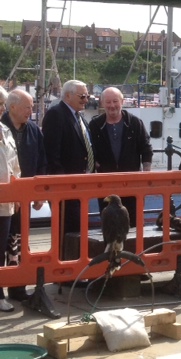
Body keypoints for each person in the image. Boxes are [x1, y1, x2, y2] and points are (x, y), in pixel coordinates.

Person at [1, 89, 47, 302]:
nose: (31, 111)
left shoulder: (34, 131)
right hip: (5, 197)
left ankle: (18, 287)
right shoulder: (3, 128)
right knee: (2, 243)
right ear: (12, 107)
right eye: (27, 107)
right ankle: (1, 288)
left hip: (25, 196)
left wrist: (40, 194)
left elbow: (41, 162)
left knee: (19, 242)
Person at [89, 87, 153, 228]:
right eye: (108, 102)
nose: (112, 105)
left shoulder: (135, 123)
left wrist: (146, 172)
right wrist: (95, 165)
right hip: (105, 183)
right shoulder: (95, 125)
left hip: (131, 182)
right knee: (109, 224)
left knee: (133, 222)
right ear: (102, 104)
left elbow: (146, 147)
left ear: (122, 102)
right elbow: (89, 150)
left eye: (115, 101)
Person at [42, 80, 94, 240]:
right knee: (67, 230)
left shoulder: (79, 117)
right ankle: (64, 263)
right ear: (68, 95)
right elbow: (52, 153)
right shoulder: (56, 115)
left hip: (79, 186)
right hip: (66, 187)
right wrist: (62, 182)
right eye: (82, 96)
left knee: (78, 230)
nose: (86, 100)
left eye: (87, 96)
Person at [0, 88, 21, 312]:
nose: (1, 109)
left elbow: (15, 166)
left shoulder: (5, 131)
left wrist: (17, 193)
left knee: (0, 250)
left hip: (5, 203)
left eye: (2, 104)